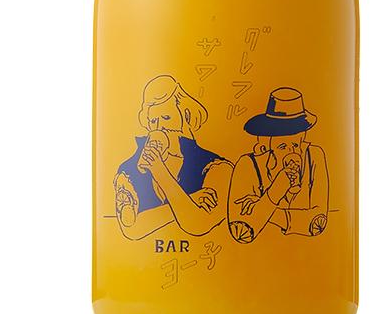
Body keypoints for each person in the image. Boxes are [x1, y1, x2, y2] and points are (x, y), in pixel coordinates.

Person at [114, 75, 232, 240]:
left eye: (166, 118)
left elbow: (199, 224)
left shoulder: (215, 166)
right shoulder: (128, 171)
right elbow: (131, 228)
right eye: (153, 120)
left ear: (185, 115)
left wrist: (159, 171)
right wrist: (190, 201)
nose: (159, 127)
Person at [227, 87, 329, 243]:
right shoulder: (248, 164)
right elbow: (241, 230)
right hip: (257, 254)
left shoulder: (313, 156)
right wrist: (276, 190)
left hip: (308, 254)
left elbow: (317, 223)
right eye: (282, 147)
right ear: (266, 147)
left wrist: (262, 207)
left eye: (296, 145)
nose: (292, 154)